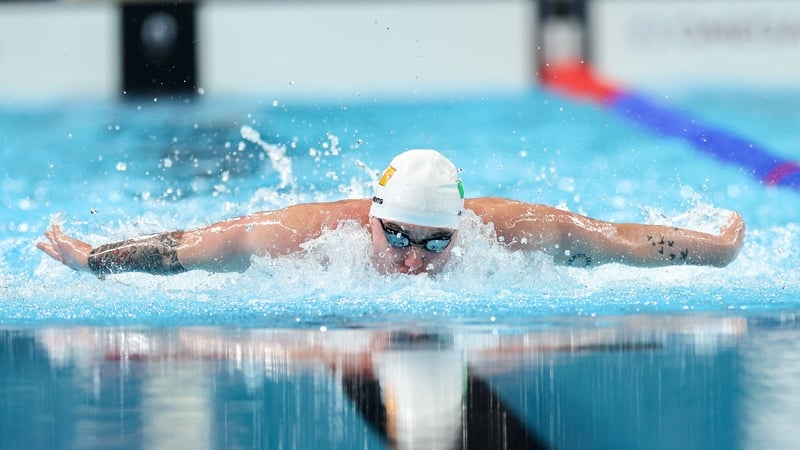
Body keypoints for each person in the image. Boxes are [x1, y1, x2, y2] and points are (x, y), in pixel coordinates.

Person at [37, 149, 745, 277]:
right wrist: (98, 258)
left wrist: (714, 251)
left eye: (434, 246)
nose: (411, 260)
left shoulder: (503, 230)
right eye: (397, 236)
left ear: (460, 232)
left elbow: (616, 240)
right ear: (371, 219)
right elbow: (191, 246)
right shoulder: (310, 235)